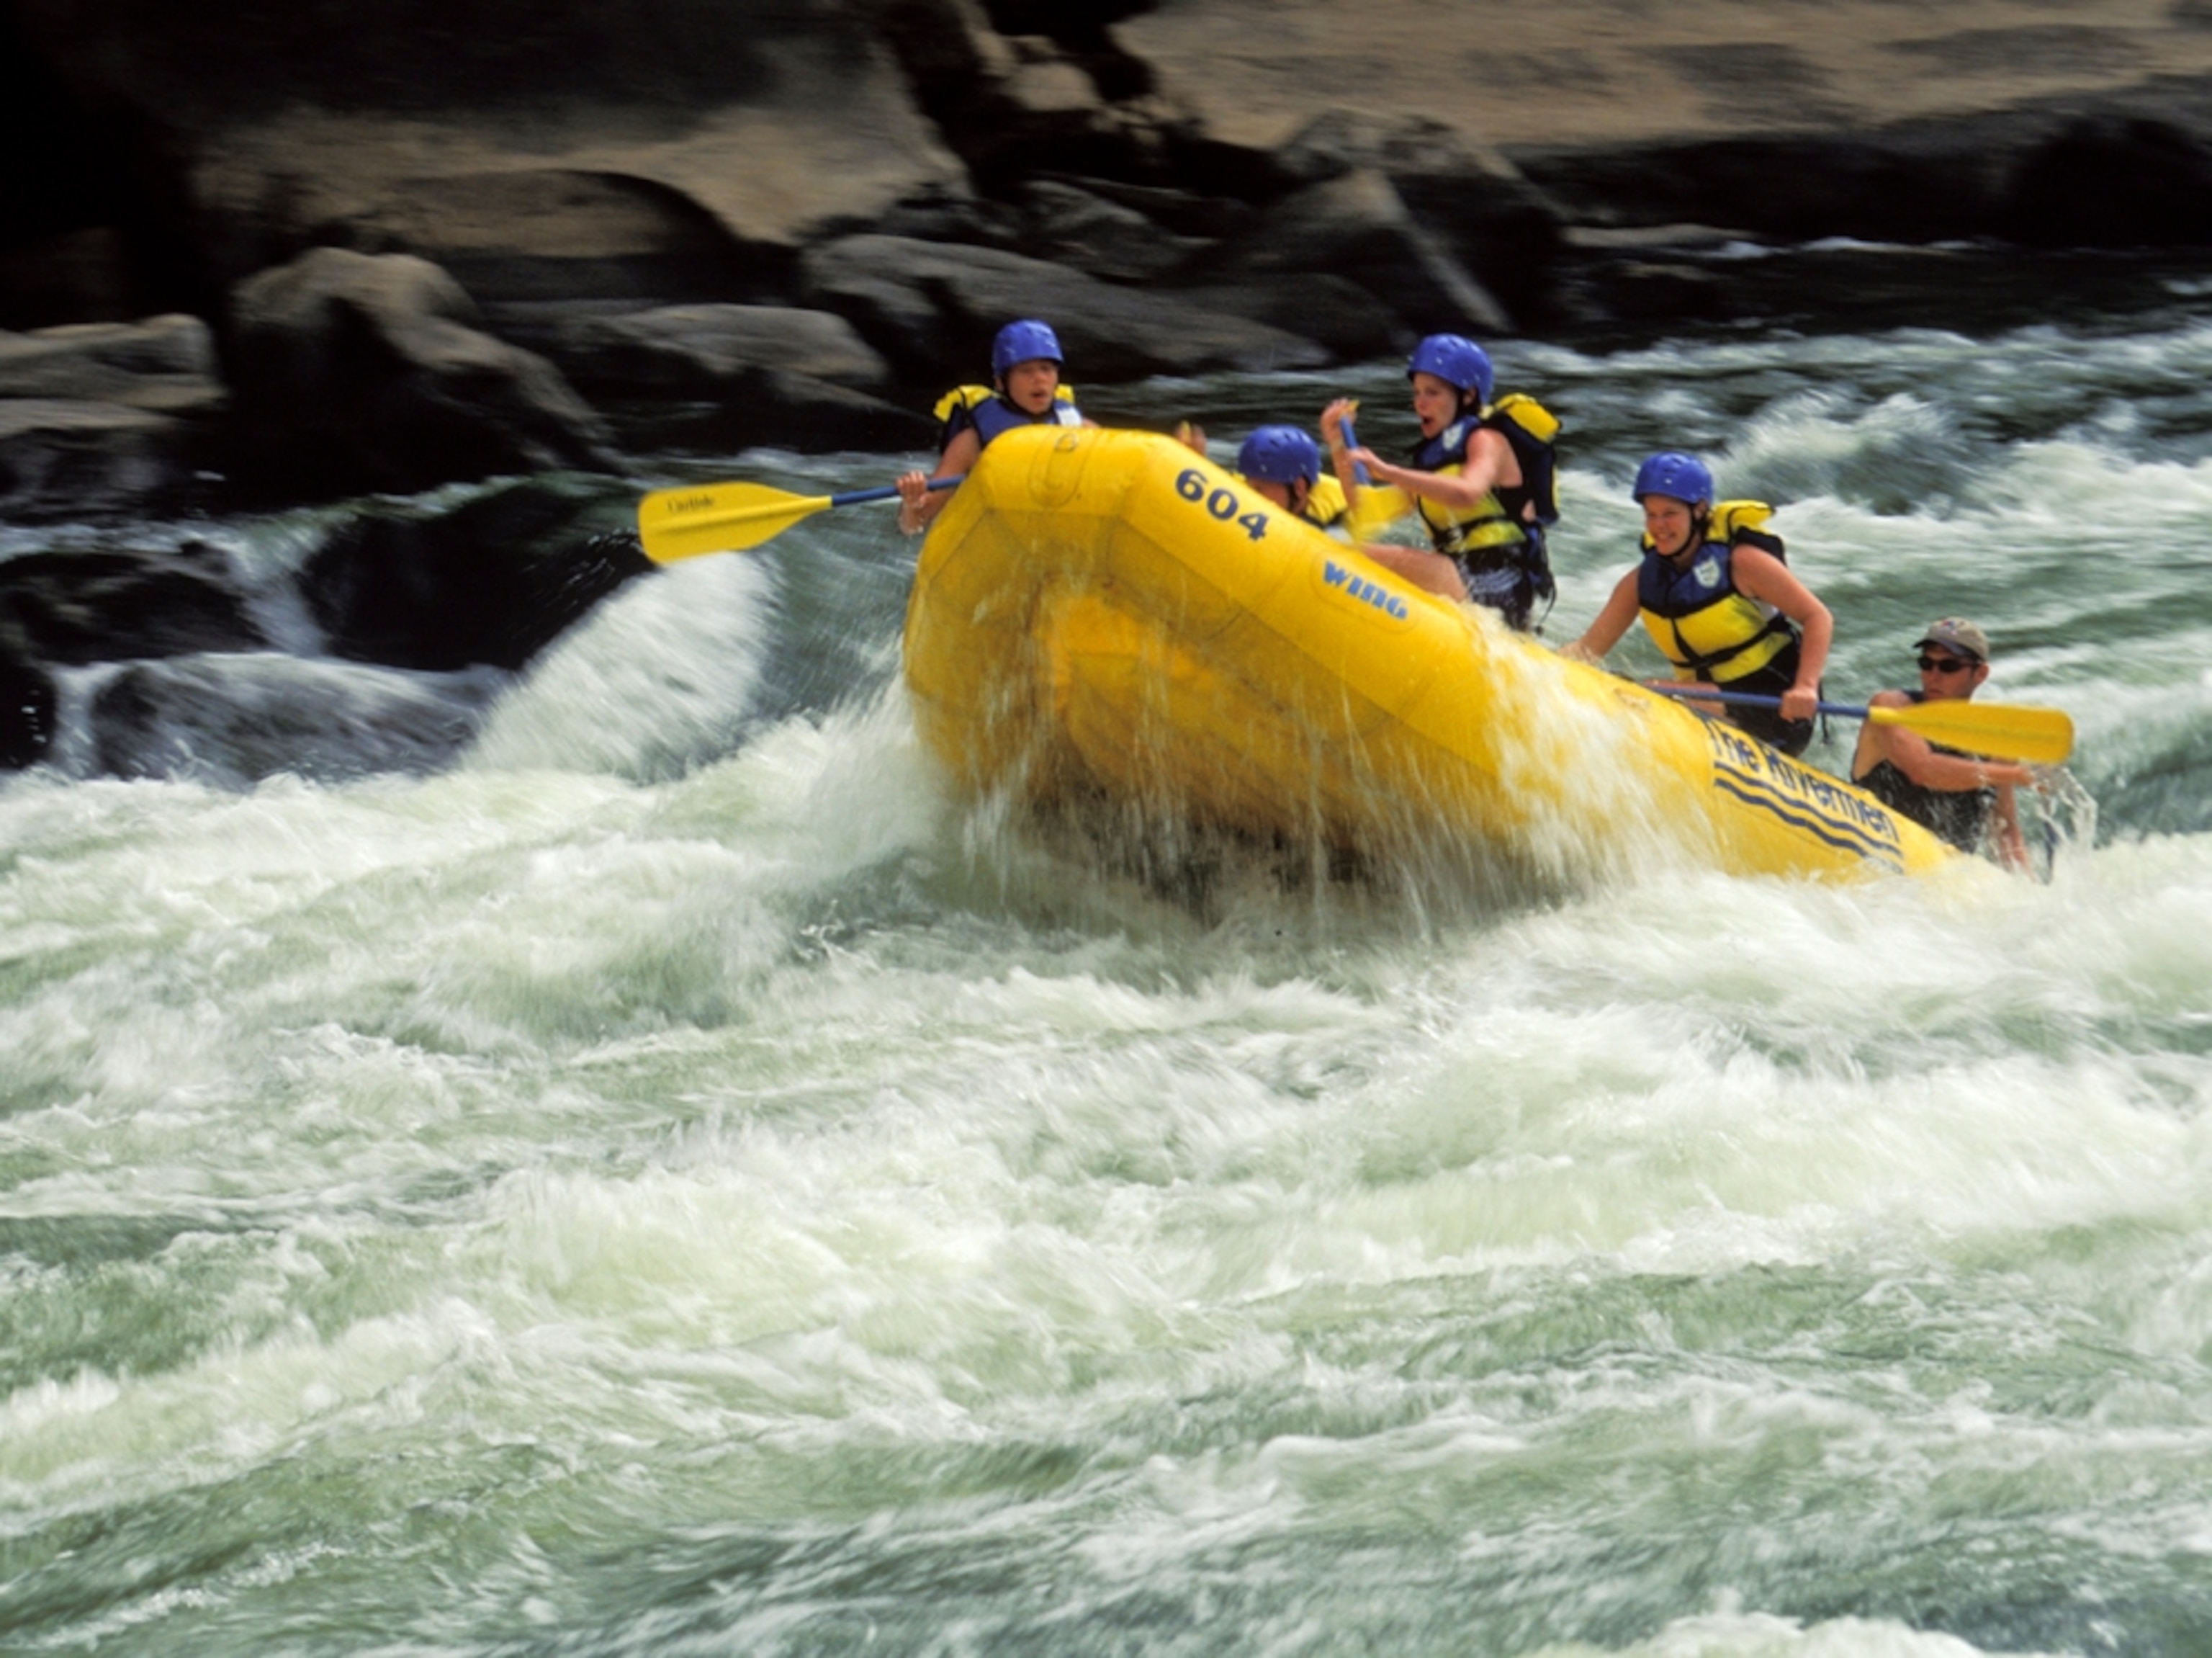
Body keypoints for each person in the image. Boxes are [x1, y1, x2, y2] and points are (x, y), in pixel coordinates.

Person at [1563, 451, 1831, 757]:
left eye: (1670, 513)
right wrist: (1536, 667)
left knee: (1652, 691)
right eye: (1651, 515)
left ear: (1700, 510)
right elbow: (1587, 650)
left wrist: (1806, 687)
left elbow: (1817, 616)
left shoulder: (1743, 563)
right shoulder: (1640, 582)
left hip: (1776, 705)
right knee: (1625, 693)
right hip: (1706, 704)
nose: (1659, 526)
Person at [1318, 333, 1560, 629]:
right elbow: (1366, 507)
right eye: (1417, 393)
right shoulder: (1435, 464)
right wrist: (1338, 445)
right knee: (1347, 550)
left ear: (1468, 396)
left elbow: (1468, 492)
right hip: (1463, 576)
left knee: (1348, 556)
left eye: (1432, 393)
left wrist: (1388, 471)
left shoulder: (1488, 440)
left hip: (1501, 583)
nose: (1420, 404)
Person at [1851, 618, 2032, 868]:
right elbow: (1922, 770)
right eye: (1926, 664)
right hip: (1873, 856)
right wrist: (2014, 774)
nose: (1933, 676)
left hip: (1944, 877)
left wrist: (2025, 889)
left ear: (1980, 674)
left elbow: (2005, 831)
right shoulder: (1890, 708)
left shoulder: (1995, 743)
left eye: (1948, 666)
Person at [896, 318, 1089, 534]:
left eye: (1046, 369)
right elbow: (913, 526)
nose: (1039, 379)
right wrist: (911, 503)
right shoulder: (972, 442)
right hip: (996, 538)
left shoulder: (1078, 427)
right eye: (1026, 371)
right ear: (1001, 383)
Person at [1174, 421, 1349, 529]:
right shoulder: (1240, 491)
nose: (1251, 498)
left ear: (1299, 488)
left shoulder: (1335, 517)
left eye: (1260, 489)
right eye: (1249, 485)